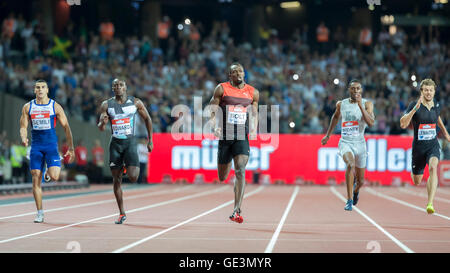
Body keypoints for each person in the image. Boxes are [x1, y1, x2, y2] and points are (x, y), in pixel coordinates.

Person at [97, 78, 153, 224]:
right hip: (115, 143)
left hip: (130, 142)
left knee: (134, 177)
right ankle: (122, 213)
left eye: (120, 85)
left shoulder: (135, 102)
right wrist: (102, 123)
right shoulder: (106, 104)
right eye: (115, 85)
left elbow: (148, 119)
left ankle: (125, 168)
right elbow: (101, 128)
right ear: (112, 88)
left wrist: (150, 139)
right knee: (117, 180)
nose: (118, 87)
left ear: (125, 88)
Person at [209, 62, 259, 223]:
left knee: (241, 170)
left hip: (241, 136)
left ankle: (237, 209)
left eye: (241, 71)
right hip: (225, 137)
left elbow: (255, 113)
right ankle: (228, 165)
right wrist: (213, 126)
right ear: (229, 75)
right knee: (222, 176)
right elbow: (212, 109)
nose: (239, 73)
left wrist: (253, 129)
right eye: (235, 71)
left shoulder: (252, 92)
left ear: (244, 74)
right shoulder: (221, 88)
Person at [19, 79, 75, 223]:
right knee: (35, 177)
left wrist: (71, 147)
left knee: (55, 176)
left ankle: (47, 170)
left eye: (43, 87)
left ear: (47, 90)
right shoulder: (28, 107)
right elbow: (23, 126)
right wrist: (24, 137)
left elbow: (66, 127)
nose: (40, 90)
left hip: (51, 146)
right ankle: (40, 212)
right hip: (36, 146)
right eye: (37, 87)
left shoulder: (55, 106)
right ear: (34, 90)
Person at [321, 79, 375, 211]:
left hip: (360, 144)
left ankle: (356, 190)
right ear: (349, 90)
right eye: (353, 88)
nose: (356, 91)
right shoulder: (341, 104)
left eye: (358, 88)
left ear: (361, 90)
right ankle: (349, 200)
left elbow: (371, 123)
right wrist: (328, 135)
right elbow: (335, 117)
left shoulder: (367, 104)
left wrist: (361, 107)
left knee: (361, 181)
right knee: (350, 164)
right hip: (345, 142)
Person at [399, 79, 450, 214]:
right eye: (426, 90)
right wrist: (415, 108)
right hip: (418, 149)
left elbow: (437, 119)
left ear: (434, 91)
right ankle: (416, 172)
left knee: (433, 167)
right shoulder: (413, 105)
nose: (428, 92)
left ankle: (430, 203)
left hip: (433, 145)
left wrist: (446, 134)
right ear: (421, 91)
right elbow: (403, 124)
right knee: (417, 180)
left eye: (431, 90)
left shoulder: (437, 105)